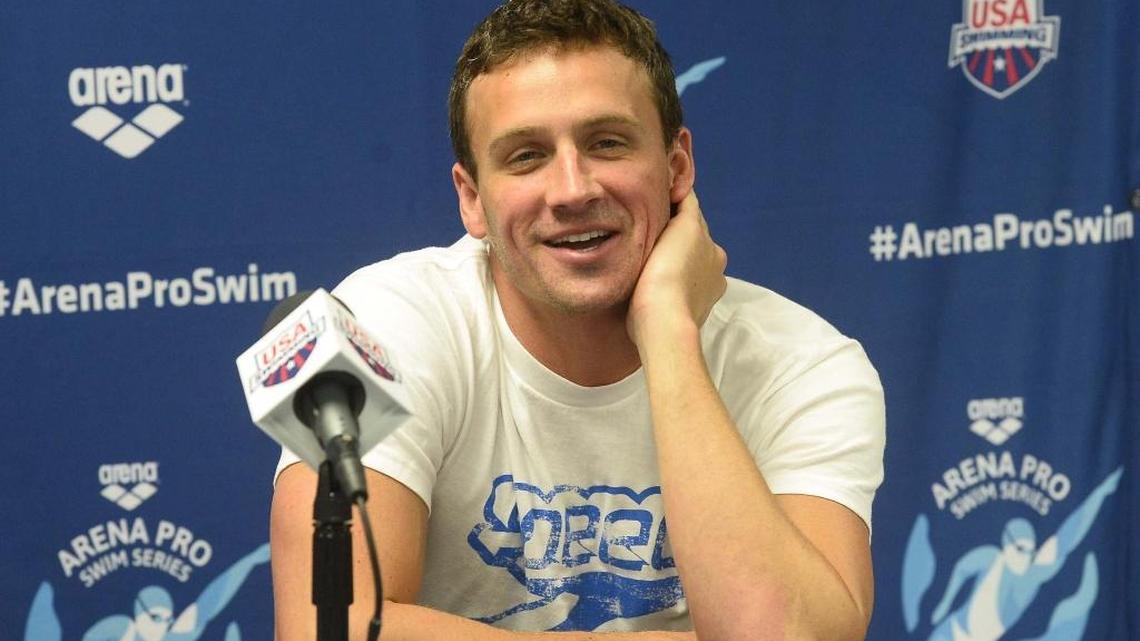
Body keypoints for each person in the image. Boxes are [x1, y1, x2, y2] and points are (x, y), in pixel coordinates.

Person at [270, 1, 885, 639]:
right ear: (472, 199)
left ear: (676, 167)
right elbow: (327, 629)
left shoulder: (802, 364)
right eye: (526, 156)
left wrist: (668, 331)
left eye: (606, 143)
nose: (572, 190)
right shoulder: (388, 326)